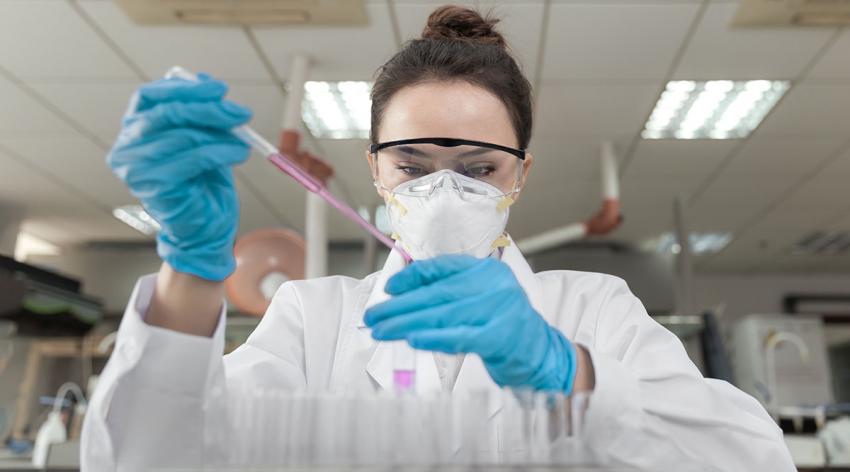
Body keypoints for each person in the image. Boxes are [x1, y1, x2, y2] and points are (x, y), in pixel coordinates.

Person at [82, 5, 794, 471]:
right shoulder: (313, 318)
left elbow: (755, 460)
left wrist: (569, 372)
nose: (445, 191)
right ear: (375, 171)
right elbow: (156, 458)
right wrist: (192, 273)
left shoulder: (592, 310)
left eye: (480, 167)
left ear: (520, 175)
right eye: (412, 166)